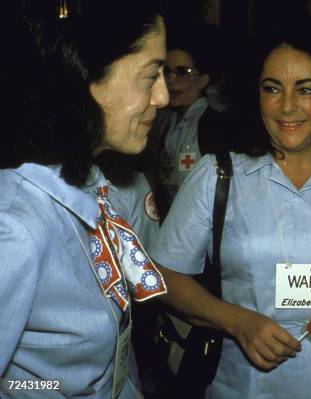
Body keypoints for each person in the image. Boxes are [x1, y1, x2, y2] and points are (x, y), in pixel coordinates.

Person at [149, 19, 311, 398]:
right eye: (272, 88)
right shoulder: (217, 175)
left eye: (306, 90)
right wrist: (237, 321)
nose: (287, 107)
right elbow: (162, 275)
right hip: (243, 383)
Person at [0, 1, 168, 397]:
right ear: (88, 78)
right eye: (150, 75)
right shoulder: (15, 228)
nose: (162, 96)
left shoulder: (92, 184)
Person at [147, 24, 226, 219]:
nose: (172, 80)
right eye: (167, 71)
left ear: (203, 80)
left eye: (183, 72)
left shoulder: (214, 126)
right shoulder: (162, 122)